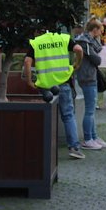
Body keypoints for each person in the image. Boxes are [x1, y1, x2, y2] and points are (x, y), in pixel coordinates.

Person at [24, 29, 85, 159]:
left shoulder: (35, 42)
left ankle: (42, 147)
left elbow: (27, 62)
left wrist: (29, 81)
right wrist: (76, 64)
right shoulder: (64, 38)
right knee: (68, 115)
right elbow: (79, 49)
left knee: (46, 116)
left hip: (45, 85)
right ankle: (74, 147)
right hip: (63, 82)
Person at [74, 20, 106, 150]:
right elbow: (97, 59)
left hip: (89, 75)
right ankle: (88, 138)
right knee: (89, 109)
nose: (101, 32)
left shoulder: (88, 41)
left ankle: (93, 136)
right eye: (100, 30)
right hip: (88, 76)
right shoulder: (85, 42)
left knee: (92, 109)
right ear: (94, 29)